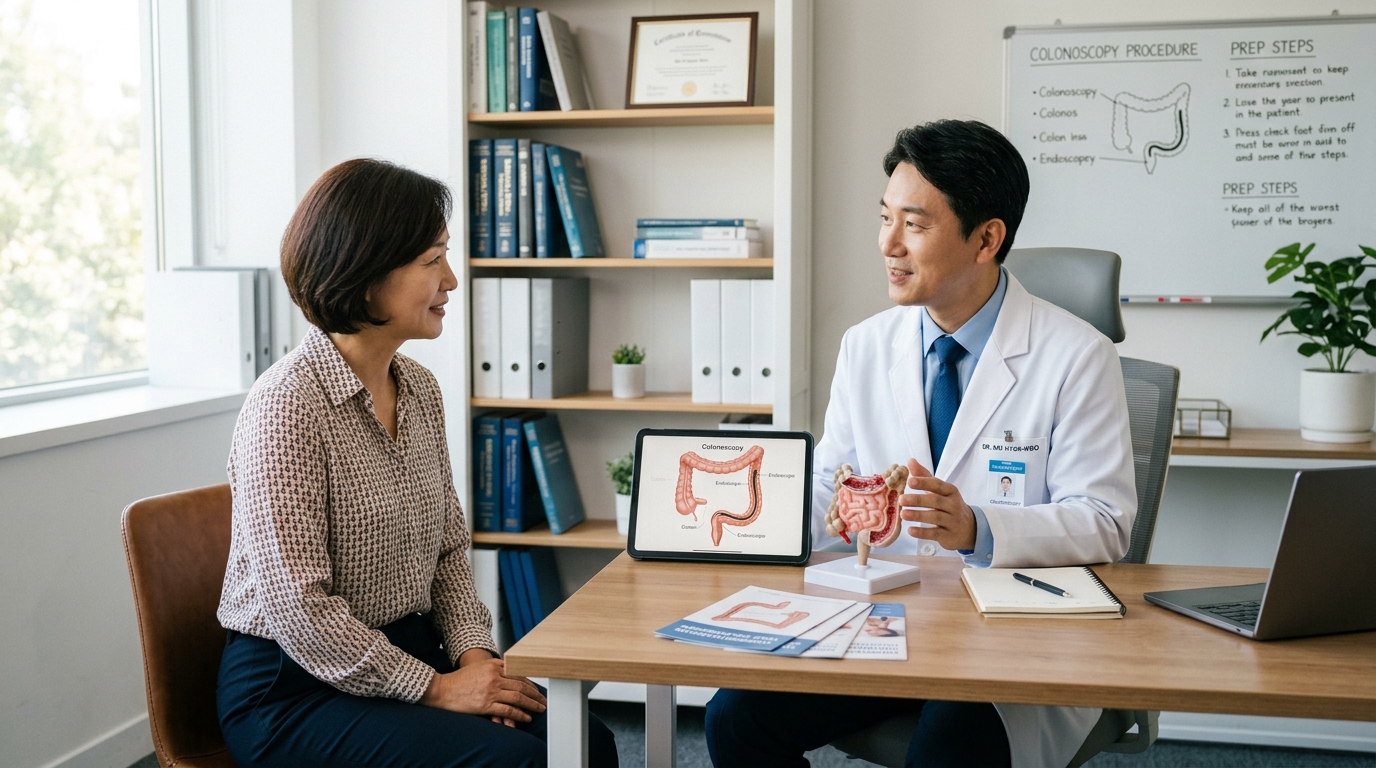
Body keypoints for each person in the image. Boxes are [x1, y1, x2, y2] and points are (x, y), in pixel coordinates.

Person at [705, 120, 1136, 768]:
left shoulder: (1077, 356)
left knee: (948, 751)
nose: (888, 244)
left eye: (914, 224)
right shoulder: (866, 344)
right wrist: (760, 518)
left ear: (987, 238)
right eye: (885, 218)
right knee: (735, 719)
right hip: (883, 620)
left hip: (1007, 632)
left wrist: (978, 526)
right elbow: (833, 483)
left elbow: (1105, 524)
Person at [215, 158, 618, 767]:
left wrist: (475, 658)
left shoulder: (419, 389)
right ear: (367, 272)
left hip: (407, 652)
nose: (451, 280)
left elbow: (449, 550)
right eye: (433, 261)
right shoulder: (285, 406)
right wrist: (436, 688)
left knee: (588, 741)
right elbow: (301, 610)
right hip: (293, 688)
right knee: (516, 762)